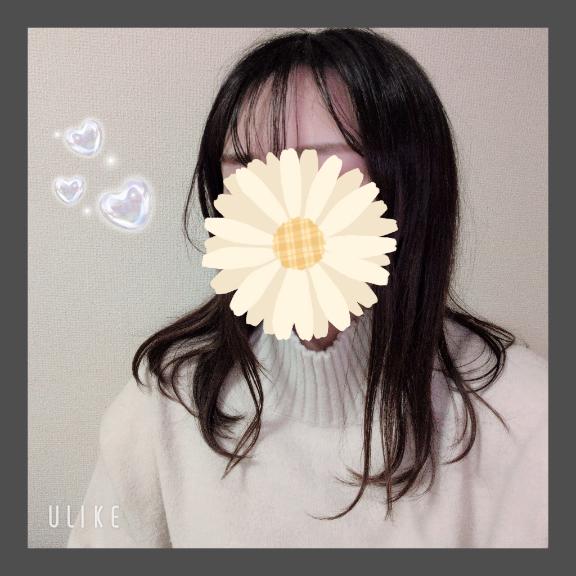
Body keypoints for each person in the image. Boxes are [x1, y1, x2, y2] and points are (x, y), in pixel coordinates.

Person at [67, 28, 547, 548]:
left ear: (410, 181)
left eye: (319, 159)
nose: (278, 194)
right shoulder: (165, 402)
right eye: (246, 165)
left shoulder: (526, 414)